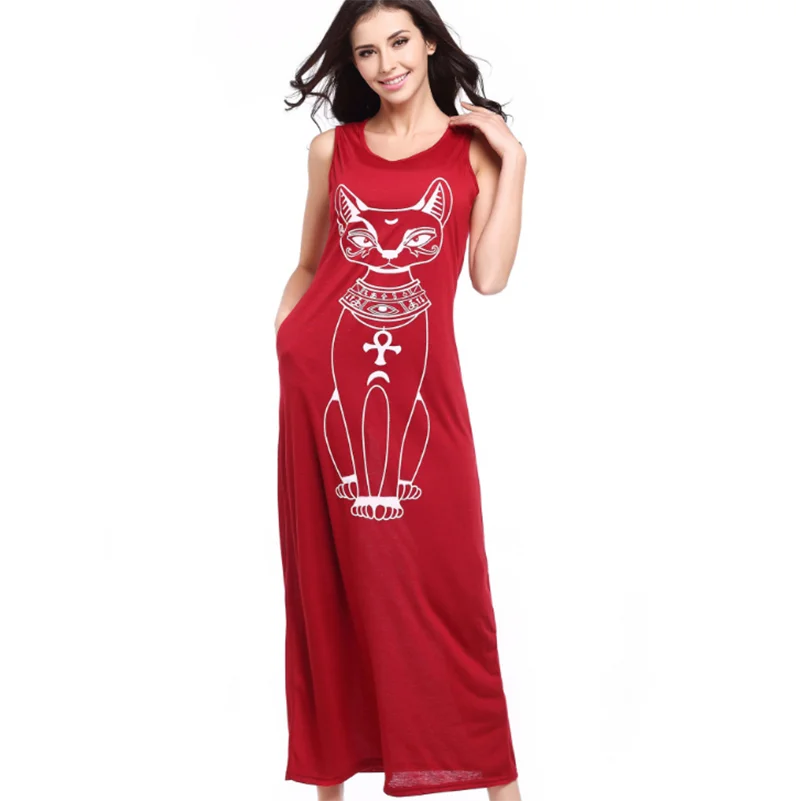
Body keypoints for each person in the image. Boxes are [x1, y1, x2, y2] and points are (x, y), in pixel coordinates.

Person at [275, 1, 526, 798]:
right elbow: (309, 265)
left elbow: (488, 277)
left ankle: (499, 784)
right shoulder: (332, 150)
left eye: (398, 43)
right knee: (330, 588)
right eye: (366, 52)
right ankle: (331, 784)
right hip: (321, 386)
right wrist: (287, 343)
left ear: (428, 43)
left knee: (452, 592)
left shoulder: (472, 152)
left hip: (426, 387)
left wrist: (514, 159)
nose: (386, 65)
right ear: (352, 64)